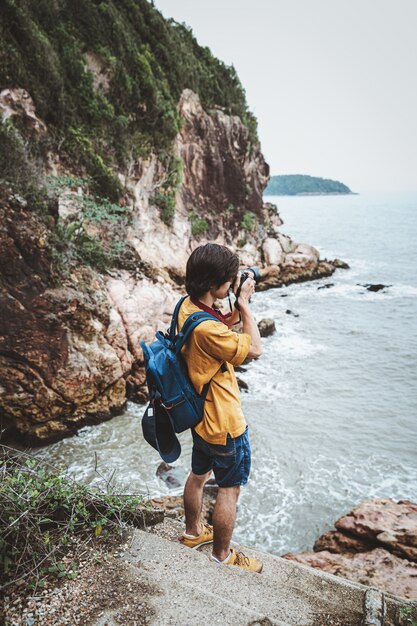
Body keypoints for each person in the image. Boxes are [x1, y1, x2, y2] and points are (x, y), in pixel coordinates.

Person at [177, 243, 263, 573]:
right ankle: (222, 555)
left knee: (198, 476)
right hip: (224, 422)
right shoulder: (207, 329)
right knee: (230, 488)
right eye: (228, 281)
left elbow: (217, 326)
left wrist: (235, 309)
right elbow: (254, 349)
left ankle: (192, 532)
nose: (231, 285)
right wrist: (245, 304)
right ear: (214, 284)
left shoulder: (188, 308)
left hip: (200, 419)